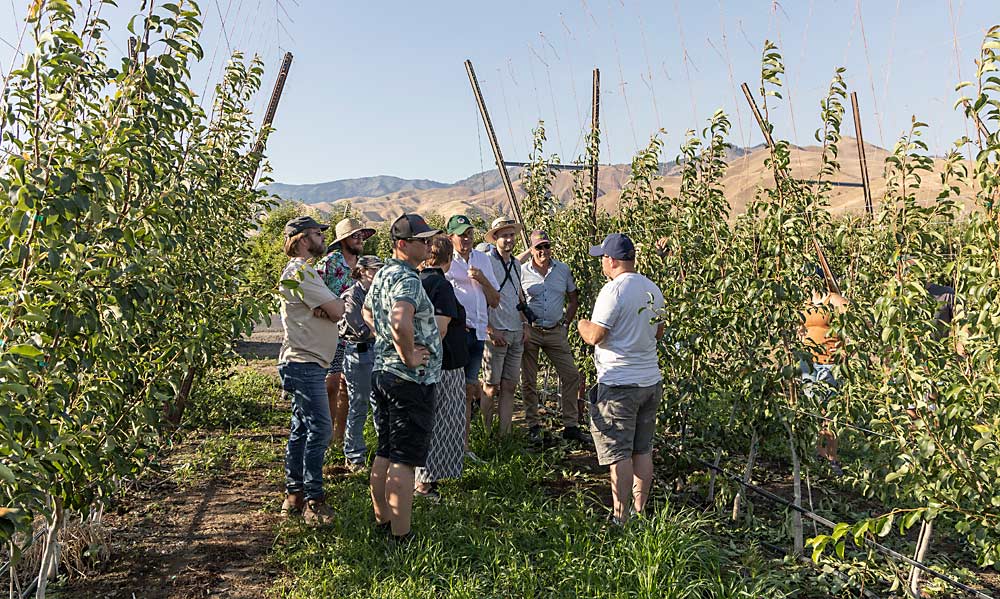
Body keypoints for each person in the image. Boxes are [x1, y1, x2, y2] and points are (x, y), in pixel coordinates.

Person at [362, 213, 442, 542]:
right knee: (404, 460)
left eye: (428, 239)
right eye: (421, 240)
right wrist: (407, 354)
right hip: (410, 379)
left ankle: (383, 521)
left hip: (384, 373)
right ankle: (401, 536)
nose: (428, 245)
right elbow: (400, 320)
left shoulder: (384, 274)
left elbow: (368, 311)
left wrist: (385, 341)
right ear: (402, 244)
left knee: (386, 450)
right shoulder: (407, 279)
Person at [577, 233, 665, 525]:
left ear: (611, 260)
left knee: (620, 453)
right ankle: (641, 513)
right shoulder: (652, 288)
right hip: (650, 380)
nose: (602, 262)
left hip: (620, 384)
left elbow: (595, 335)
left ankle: (621, 516)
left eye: (602, 257)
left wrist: (581, 324)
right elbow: (659, 331)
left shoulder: (613, 291)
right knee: (643, 449)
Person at [277, 216, 346, 526]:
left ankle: (294, 494)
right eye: (318, 233)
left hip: (306, 361)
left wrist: (326, 309)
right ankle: (313, 501)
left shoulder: (303, 273)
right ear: (304, 239)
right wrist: (330, 309)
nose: (322, 238)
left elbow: (329, 310)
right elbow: (338, 310)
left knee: (301, 428)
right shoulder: (302, 273)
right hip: (304, 362)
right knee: (319, 428)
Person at [414, 236, 469, 501]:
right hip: (444, 365)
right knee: (443, 421)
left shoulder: (417, 280)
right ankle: (426, 482)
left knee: (429, 419)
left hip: (423, 364)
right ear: (449, 259)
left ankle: (422, 478)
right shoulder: (440, 285)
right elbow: (439, 328)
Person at [519, 230, 587, 445]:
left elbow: (573, 298)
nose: (543, 251)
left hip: (556, 330)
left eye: (546, 246)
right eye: (538, 247)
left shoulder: (562, 270)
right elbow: (516, 300)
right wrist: (523, 324)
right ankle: (533, 425)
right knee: (529, 380)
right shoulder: (521, 271)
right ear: (531, 249)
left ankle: (570, 425)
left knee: (571, 375)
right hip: (532, 330)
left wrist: (566, 322)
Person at [316, 218, 375, 447]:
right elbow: (312, 289)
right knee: (330, 384)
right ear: (342, 241)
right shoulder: (329, 263)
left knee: (347, 388)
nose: (359, 239)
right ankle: (325, 437)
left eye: (361, 235)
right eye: (355, 236)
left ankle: (340, 438)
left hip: (357, 335)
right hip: (331, 332)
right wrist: (321, 310)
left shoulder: (363, 266)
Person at [444, 214, 499, 461]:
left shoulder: (482, 260)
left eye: (469, 234)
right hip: (455, 334)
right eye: (460, 234)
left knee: (467, 389)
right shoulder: (445, 261)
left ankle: (463, 448)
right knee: (450, 391)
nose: (465, 239)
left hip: (477, 333)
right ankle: (446, 445)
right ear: (450, 237)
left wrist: (482, 279)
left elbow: (495, 300)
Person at [482, 217, 531, 436]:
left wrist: (525, 323)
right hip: (497, 331)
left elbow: (518, 295)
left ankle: (505, 433)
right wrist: (489, 329)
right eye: (505, 235)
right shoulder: (487, 263)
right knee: (491, 387)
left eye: (511, 235)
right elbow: (479, 297)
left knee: (510, 386)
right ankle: (485, 432)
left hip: (515, 330)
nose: (509, 239)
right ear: (495, 238)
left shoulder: (516, 264)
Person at [799, 267, 849, 475]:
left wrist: (845, 353)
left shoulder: (834, 300)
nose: (807, 283)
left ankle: (832, 458)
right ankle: (819, 455)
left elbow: (853, 322)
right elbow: (799, 327)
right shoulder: (805, 303)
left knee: (829, 411)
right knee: (813, 409)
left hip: (830, 361)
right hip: (807, 362)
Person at [339, 255, 385, 472]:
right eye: (376, 269)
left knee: (380, 404)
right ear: (363, 271)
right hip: (359, 354)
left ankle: (383, 454)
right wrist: (385, 333)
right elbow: (360, 327)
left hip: (376, 352)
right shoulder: (352, 295)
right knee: (358, 404)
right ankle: (354, 457)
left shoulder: (378, 293)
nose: (379, 273)